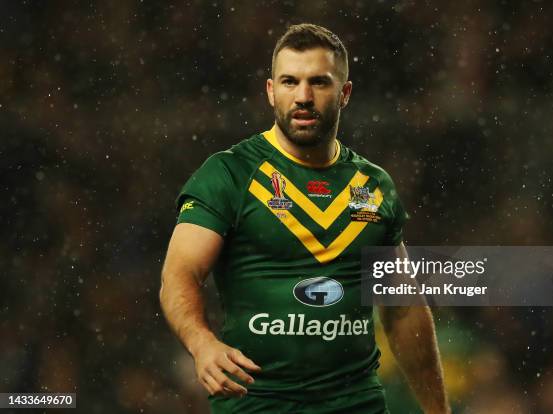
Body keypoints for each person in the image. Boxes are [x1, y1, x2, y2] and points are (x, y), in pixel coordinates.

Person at [160, 23, 450, 413]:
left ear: (344, 93)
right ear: (270, 91)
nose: (303, 96)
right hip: (257, 404)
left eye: (319, 82)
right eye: (289, 81)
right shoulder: (227, 174)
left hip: (356, 404)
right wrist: (202, 343)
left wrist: (438, 411)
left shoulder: (373, 185)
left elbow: (402, 309)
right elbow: (178, 274)